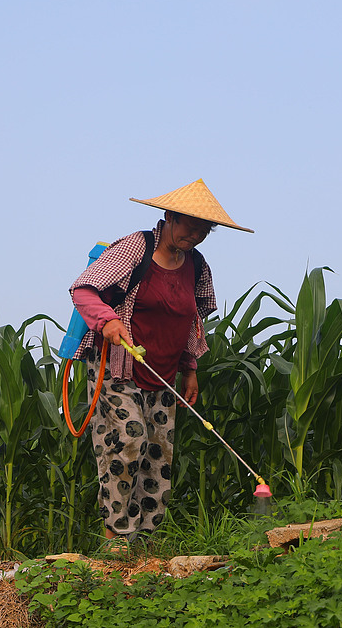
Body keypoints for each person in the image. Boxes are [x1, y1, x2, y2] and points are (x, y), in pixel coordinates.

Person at [68, 179, 253, 542]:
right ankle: (116, 535)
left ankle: (145, 541)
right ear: (169, 217)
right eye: (189, 227)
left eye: (203, 231)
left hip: (165, 374)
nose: (194, 236)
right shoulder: (135, 248)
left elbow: (190, 319)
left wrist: (190, 368)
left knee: (158, 456)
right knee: (129, 439)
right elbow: (83, 289)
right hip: (119, 367)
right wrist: (107, 321)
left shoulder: (196, 265)